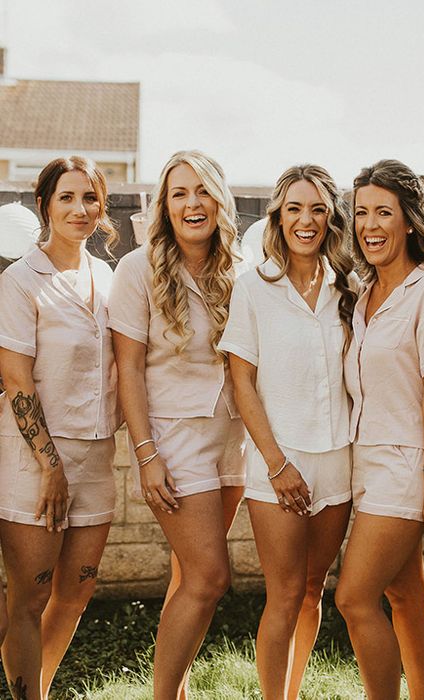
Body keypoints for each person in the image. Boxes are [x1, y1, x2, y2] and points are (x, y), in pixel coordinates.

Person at [108, 150, 246, 700]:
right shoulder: (136, 269)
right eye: (179, 194)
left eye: (202, 191)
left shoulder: (241, 270)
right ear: (164, 206)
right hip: (172, 443)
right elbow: (128, 370)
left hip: (232, 440)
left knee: (188, 577)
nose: (193, 203)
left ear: (220, 199)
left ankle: (177, 691)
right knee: (210, 578)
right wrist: (146, 455)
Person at [219, 164, 357, 700]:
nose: (307, 220)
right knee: (282, 595)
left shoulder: (350, 287)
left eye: (318, 208)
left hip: (338, 461)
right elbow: (241, 381)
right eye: (295, 208)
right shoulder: (254, 288)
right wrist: (277, 465)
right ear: (278, 216)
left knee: (313, 591)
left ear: (331, 217)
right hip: (278, 462)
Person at [334, 159, 424, 700]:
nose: (370, 225)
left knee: (353, 598)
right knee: (406, 594)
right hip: (363, 462)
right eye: (361, 213)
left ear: (409, 220)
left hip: (406, 464)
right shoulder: (362, 296)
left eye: (383, 212)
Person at [0, 156, 120, 700]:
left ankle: (38, 692)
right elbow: (16, 378)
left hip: (96, 458)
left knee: (75, 594)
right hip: (35, 459)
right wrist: (50, 466)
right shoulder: (21, 280)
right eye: (67, 197)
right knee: (28, 599)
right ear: (44, 203)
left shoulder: (108, 276)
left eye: (90, 198)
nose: (80, 209)